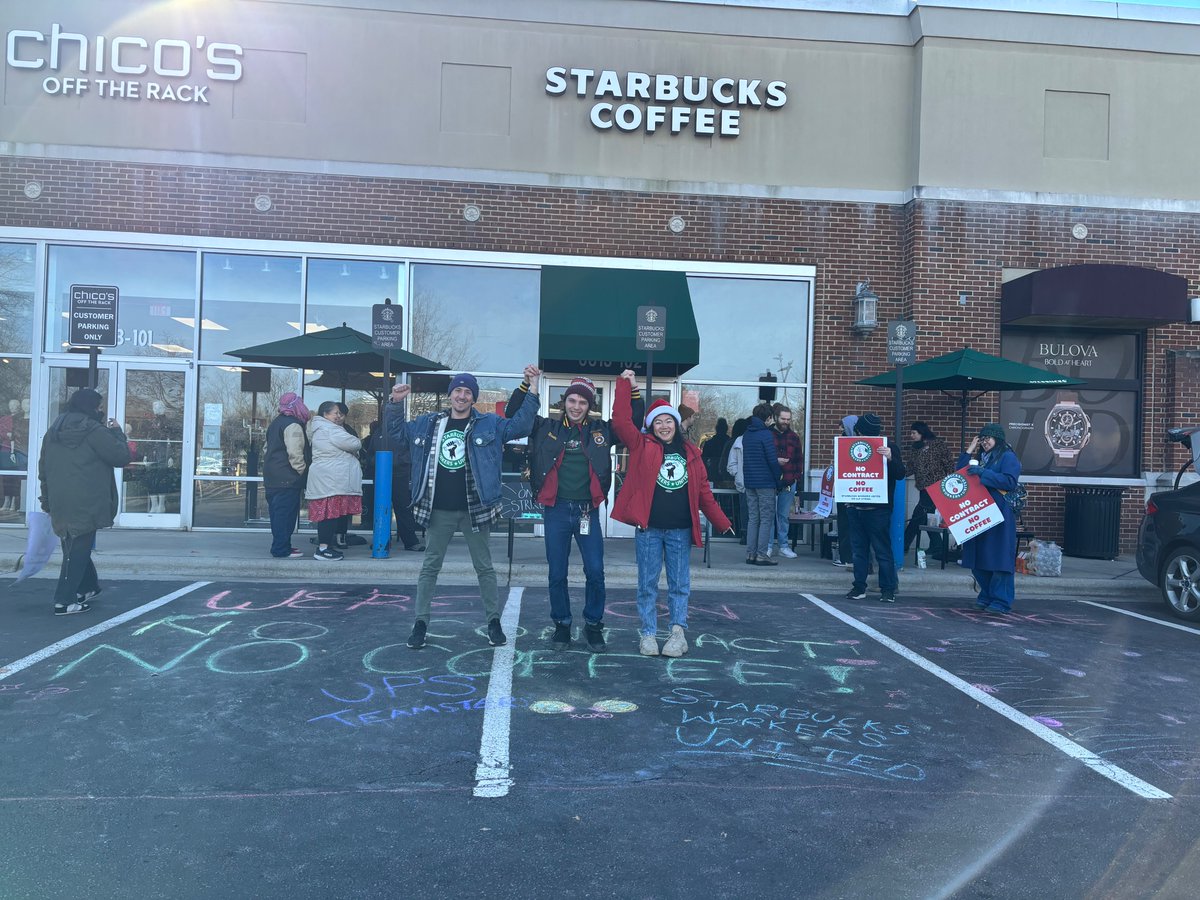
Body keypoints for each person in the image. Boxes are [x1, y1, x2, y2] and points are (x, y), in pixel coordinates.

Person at [388, 369, 539, 649]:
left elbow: (521, 426)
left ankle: (494, 622)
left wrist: (533, 389)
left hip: (474, 508)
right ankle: (420, 623)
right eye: (458, 390)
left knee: (484, 567)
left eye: (468, 392)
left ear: (473, 398)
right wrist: (395, 404)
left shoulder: (489, 424)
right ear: (450, 395)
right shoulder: (428, 423)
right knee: (430, 567)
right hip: (438, 509)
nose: (462, 395)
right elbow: (396, 436)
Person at [509, 375, 644, 653]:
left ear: (589, 405)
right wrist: (526, 386)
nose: (576, 406)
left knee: (595, 571)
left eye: (583, 402)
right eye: (572, 400)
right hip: (556, 510)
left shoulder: (602, 430)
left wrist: (633, 390)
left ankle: (593, 626)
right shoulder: (546, 426)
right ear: (564, 401)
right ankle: (562, 625)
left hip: (587, 511)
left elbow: (632, 424)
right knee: (557, 572)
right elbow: (514, 415)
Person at [611, 370, 732, 658]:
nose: (664, 426)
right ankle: (649, 634)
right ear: (651, 427)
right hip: (649, 529)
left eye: (669, 421)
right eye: (658, 422)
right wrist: (624, 385)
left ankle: (677, 633)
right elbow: (619, 420)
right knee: (647, 585)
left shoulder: (691, 453)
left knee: (679, 585)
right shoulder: (641, 446)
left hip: (679, 530)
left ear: (677, 425)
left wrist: (722, 522)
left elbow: (703, 492)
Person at [37, 388, 131, 615]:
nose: (101, 411)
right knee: (77, 550)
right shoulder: (94, 431)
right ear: (91, 407)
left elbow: (44, 469)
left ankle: (88, 587)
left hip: (61, 499)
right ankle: (64, 600)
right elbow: (121, 457)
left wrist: (46, 499)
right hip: (88, 499)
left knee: (74, 546)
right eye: (99, 407)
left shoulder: (53, 432)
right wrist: (118, 433)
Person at [960, 423, 1022, 614]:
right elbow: (960, 476)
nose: (985, 441)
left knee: (999, 558)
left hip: (1000, 513)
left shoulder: (1007, 456)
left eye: (989, 438)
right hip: (979, 512)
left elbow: (1010, 481)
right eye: (983, 438)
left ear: (998, 439)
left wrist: (984, 473)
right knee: (979, 558)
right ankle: (986, 595)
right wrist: (969, 451)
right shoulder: (980, 458)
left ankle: (1001, 600)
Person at [843, 413, 906, 603]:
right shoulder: (848, 446)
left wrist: (890, 458)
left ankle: (888, 590)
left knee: (882, 551)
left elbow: (900, 473)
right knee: (859, 551)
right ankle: (859, 586)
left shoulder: (889, 447)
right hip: (855, 507)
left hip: (878, 510)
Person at [306, 400, 363, 561]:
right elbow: (355, 443)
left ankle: (326, 547)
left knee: (329, 515)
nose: (339, 416)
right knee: (328, 516)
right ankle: (323, 549)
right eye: (335, 413)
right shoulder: (330, 429)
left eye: (340, 413)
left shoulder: (320, 428)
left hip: (329, 479)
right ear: (325, 414)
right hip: (331, 481)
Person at [363, 416, 424, 551]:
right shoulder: (378, 433)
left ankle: (410, 541)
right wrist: (374, 462)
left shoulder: (406, 431)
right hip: (379, 475)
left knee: (403, 509)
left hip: (400, 475)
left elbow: (414, 452)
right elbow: (370, 454)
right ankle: (382, 539)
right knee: (380, 509)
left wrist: (399, 461)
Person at [263, 391, 310, 559]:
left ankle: (282, 545)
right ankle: (281, 549)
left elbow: (266, 449)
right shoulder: (293, 425)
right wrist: (302, 472)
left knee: (277, 515)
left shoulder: (275, 423)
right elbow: (295, 453)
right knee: (285, 515)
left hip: (272, 477)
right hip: (287, 478)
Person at [904, 420, 955, 556]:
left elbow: (949, 463)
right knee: (927, 517)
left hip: (936, 487)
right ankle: (937, 546)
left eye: (914, 433)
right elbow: (911, 466)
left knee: (918, 515)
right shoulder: (915, 447)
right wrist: (899, 473)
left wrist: (951, 483)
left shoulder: (938, 445)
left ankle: (904, 544)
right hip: (923, 487)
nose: (912, 435)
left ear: (922, 433)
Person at [741, 401, 781, 566]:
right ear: (769, 417)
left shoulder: (747, 434)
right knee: (766, 519)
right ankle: (762, 555)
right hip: (765, 482)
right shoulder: (765, 434)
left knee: (753, 518)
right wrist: (778, 476)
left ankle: (750, 554)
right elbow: (772, 460)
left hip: (750, 481)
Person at [769, 403, 804, 559]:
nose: (786, 422)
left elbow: (799, 460)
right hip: (770, 481)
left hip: (789, 481)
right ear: (776, 418)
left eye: (788, 419)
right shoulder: (767, 434)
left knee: (783, 515)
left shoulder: (794, 437)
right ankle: (768, 545)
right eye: (783, 418)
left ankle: (783, 546)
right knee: (768, 516)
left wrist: (796, 477)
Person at [701, 417, 730, 484]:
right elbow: (703, 461)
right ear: (726, 429)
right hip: (718, 473)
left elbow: (703, 461)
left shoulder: (710, 443)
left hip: (715, 473)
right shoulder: (730, 443)